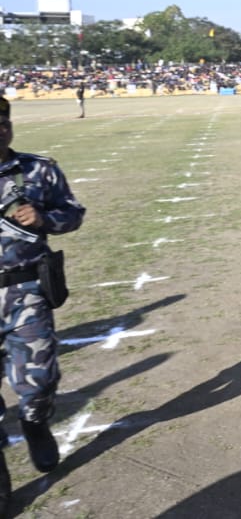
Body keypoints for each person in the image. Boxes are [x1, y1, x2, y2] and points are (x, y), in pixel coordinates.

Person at [0, 96, 87, 496]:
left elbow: (73, 212)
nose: (1, 127)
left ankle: (35, 423)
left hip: (25, 293)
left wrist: (44, 219)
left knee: (38, 384)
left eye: (4, 120)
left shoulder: (38, 170)